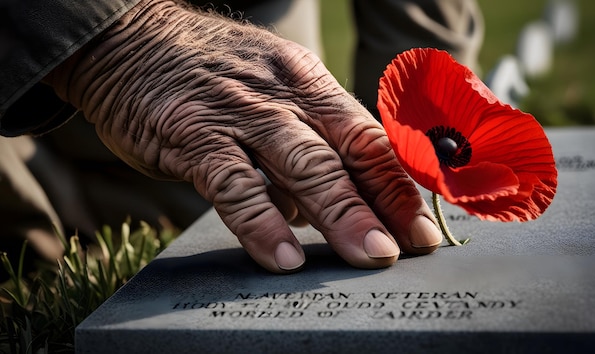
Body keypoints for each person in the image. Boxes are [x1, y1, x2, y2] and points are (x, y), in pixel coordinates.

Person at [1, 0, 450, 274]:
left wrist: (396, 152)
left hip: (250, 26)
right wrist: (108, 41)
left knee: (261, 206)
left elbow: (413, 23)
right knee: (20, 251)